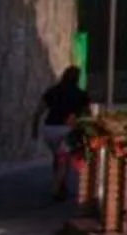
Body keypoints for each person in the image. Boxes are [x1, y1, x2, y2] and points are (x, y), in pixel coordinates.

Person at [36, 65, 91, 200]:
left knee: (58, 157)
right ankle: (55, 190)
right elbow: (87, 115)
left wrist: (34, 128)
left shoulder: (52, 91)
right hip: (66, 130)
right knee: (63, 161)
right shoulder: (80, 95)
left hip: (49, 129)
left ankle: (61, 186)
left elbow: (39, 111)